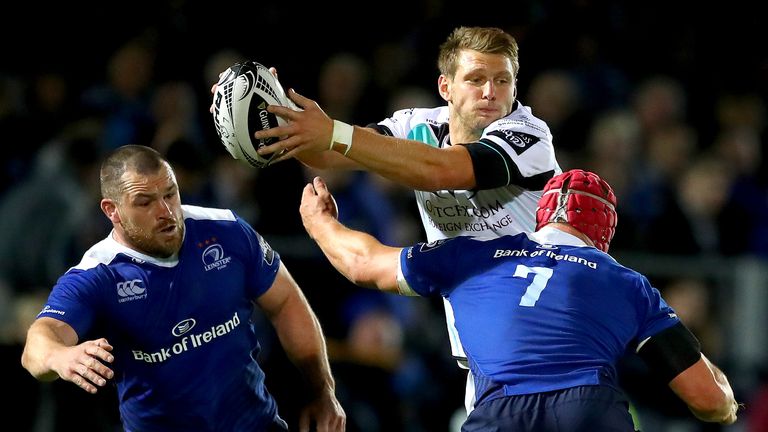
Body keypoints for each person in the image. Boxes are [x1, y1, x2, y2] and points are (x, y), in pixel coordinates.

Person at [224, 26, 562, 414]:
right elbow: (332, 154)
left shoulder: (529, 136)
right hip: (485, 354)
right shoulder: (417, 126)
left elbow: (441, 170)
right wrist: (268, 108)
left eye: (502, 80)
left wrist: (332, 132)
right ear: (445, 87)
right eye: (476, 79)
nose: (490, 92)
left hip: (543, 340)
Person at [298, 170, 740, 431]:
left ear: (542, 213)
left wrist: (319, 223)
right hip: (586, 410)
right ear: (605, 234)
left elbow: (364, 263)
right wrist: (722, 385)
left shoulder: (473, 252)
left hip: (498, 412)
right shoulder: (626, 282)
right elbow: (708, 401)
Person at [20, 145, 346, 432]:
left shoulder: (226, 230)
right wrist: (61, 356)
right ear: (112, 210)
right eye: (145, 202)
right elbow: (38, 342)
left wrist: (321, 391)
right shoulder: (99, 274)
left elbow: (286, 302)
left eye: (170, 194)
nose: (165, 212)